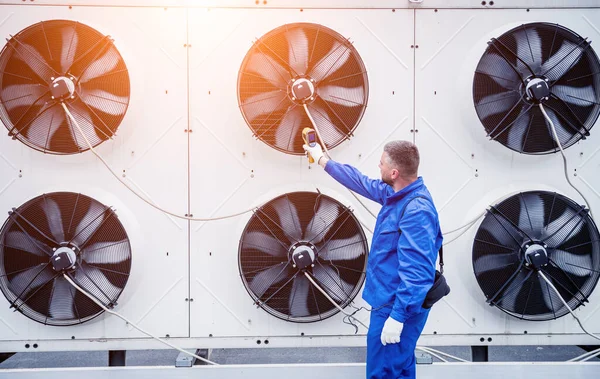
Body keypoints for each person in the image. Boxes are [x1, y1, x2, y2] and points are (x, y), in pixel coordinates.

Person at [303, 140, 443, 379]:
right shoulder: (397, 193)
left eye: (381, 164)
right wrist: (322, 160)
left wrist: (398, 317)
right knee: (400, 368)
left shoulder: (415, 210)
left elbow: (417, 274)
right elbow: (361, 182)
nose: (378, 166)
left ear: (394, 172)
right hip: (390, 302)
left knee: (384, 373)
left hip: (396, 307)